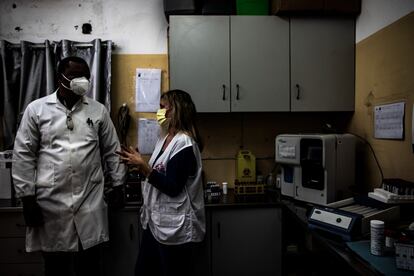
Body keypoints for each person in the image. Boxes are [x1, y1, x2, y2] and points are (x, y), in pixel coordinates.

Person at [12, 56, 126, 276]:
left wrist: (119, 184)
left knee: (90, 265)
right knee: (56, 267)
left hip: (89, 200)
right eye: (75, 75)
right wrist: (27, 198)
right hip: (51, 202)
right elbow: (23, 155)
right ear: (60, 77)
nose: (81, 80)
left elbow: (113, 150)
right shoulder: (37, 110)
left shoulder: (98, 110)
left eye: (85, 76)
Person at [117, 89, 205, 276]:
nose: (159, 112)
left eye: (163, 107)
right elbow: (158, 174)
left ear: (177, 111)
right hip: (156, 223)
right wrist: (138, 165)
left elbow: (173, 187)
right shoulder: (164, 139)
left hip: (175, 228)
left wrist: (144, 167)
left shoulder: (185, 144)